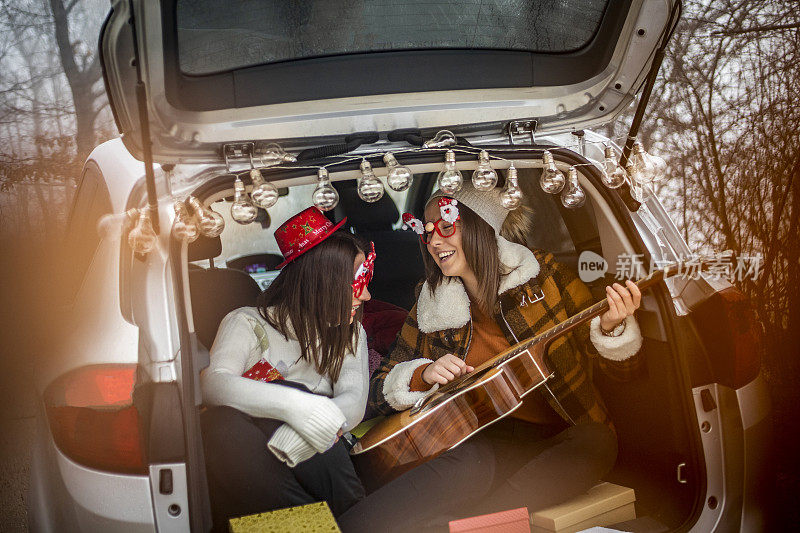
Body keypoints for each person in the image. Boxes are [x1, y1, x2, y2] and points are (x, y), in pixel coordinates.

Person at [339, 181, 644, 532]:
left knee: (598, 443)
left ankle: (465, 524)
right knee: (465, 467)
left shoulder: (544, 277)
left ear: (482, 226)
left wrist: (611, 332)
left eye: (446, 227)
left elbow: (625, 376)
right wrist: (423, 374)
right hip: (478, 443)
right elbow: (378, 390)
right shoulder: (429, 303)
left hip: (560, 437)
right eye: (427, 233)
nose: (434, 242)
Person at [200, 207, 374, 530]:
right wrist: (297, 407)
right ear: (322, 281)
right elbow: (212, 385)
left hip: (329, 478)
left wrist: (302, 430)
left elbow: (352, 404)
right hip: (262, 488)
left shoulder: (350, 333)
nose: (366, 294)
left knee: (308, 410)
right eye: (357, 282)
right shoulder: (246, 323)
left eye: (367, 278)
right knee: (218, 427)